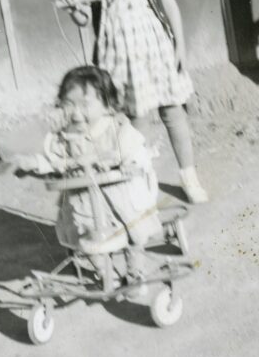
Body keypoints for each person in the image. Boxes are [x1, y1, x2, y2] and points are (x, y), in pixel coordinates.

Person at [57, 0, 208, 203]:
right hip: (119, 57)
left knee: (172, 112)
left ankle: (189, 176)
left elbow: (169, 3)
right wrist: (75, 9)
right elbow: (85, 18)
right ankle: (144, 183)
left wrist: (179, 46)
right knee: (136, 121)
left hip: (157, 50)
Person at [14, 66, 162, 272]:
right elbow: (53, 161)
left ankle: (135, 268)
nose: (76, 113)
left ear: (107, 106)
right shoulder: (63, 138)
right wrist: (33, 163)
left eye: (85, 105)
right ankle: (101, 269)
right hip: (83, 201)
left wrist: (131, 163)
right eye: (69, 105)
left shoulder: (117, 132)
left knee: (131, 230)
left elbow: (136, 150)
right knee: (85, 236)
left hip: (117, 197)